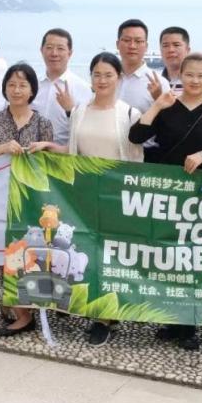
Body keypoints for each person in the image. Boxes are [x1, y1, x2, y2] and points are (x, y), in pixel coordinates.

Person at [129, 53, 202, 350]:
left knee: (191, 259)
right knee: (166, 258)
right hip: (167, 193)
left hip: (199, 196)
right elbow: (136, 135)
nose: (195, 81)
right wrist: (157, 105)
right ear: (180, 76)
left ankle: (189, 324)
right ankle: (171, 319)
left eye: (201, 75)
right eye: (189, 75)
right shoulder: (167, 106)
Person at [0, 63, 61, 337]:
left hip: (29, 200)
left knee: (26, 252)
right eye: (11, 84)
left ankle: (25, 315)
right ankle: (9, 303)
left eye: (23, 85)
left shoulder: (43, 123)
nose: (16, 90)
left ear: (32, 90)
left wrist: (42, 150)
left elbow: (51, 165)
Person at [66, 52, 143, 345]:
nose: (102, 80)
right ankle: (97, 309)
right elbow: (73, 151)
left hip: (117, 196)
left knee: (112, 256)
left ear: (119, 78)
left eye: (108, 75)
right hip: (84, 194)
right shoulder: (79, 111)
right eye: (97, 74)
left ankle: (105, 317)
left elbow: (136, 160)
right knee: (89, 251)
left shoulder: (129, 114)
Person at [31, 28, 92, 146]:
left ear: (70, 53)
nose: (54, 53)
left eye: (60, 48)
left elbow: (87, 130)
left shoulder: (82, 88)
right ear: (41, 50)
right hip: (31, 151)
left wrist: (71, 110)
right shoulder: (32, 84)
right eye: (49, 47)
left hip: (65, 153)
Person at [115, 19, 169, 114]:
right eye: (127, 40)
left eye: (138, 41)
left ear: (146, 46)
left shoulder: (160, 83)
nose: (132, 46)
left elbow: (168, 118)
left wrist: (158, 98)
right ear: (117, 44)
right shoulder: (107, 79)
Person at [158, 26, 202, 96]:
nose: (171, 50)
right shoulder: (156, 82)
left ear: (188, 50)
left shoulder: (200, 79)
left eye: (176, 45)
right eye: (165, 46)